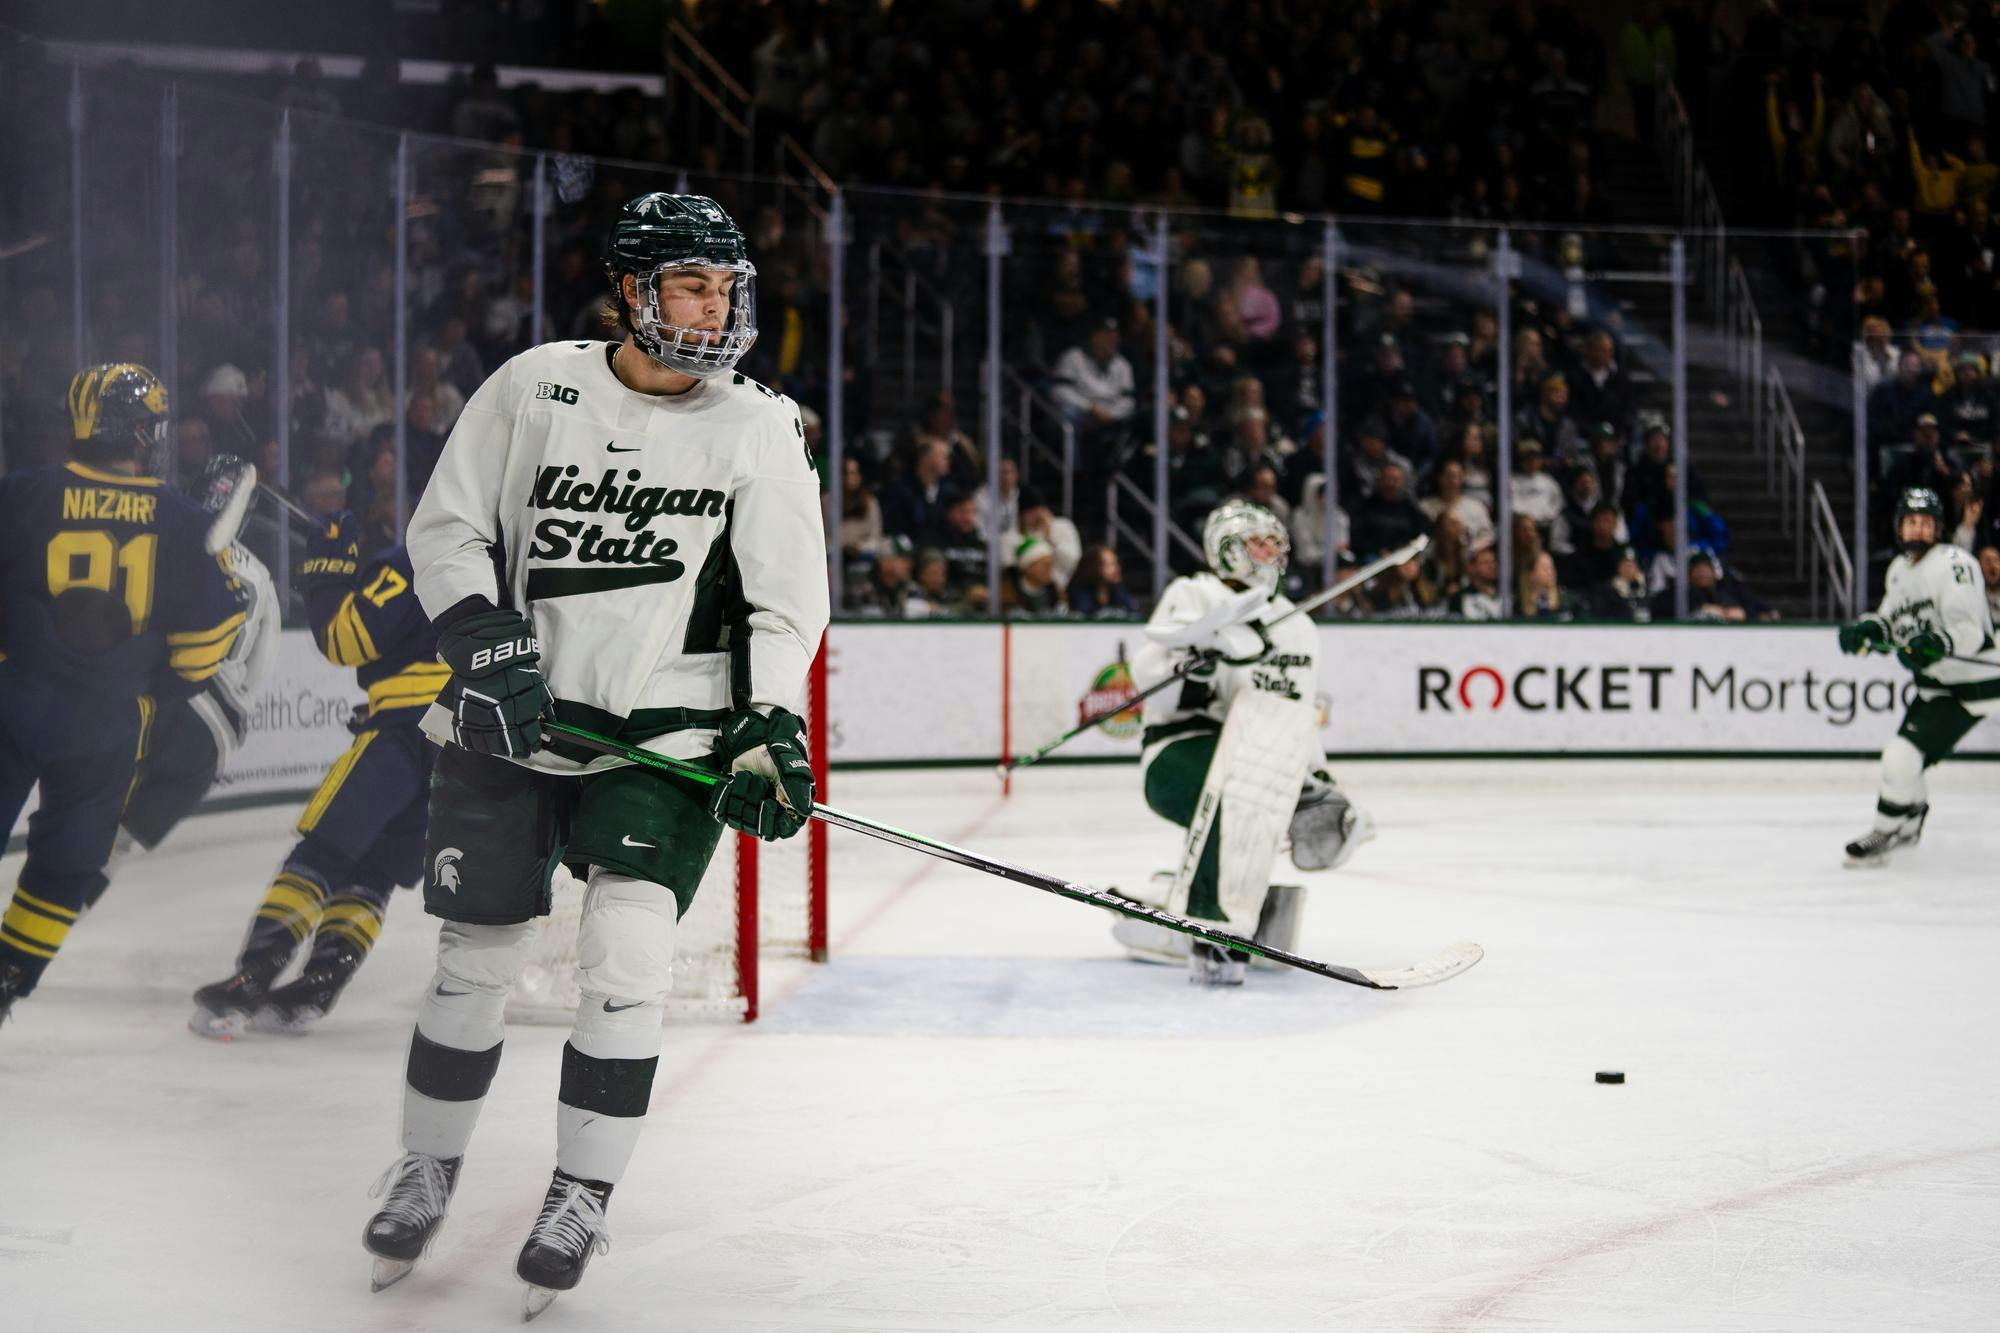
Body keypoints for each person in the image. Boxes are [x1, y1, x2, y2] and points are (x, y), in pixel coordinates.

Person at [360, 194, 828, 1316]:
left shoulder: (760, 426)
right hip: (515, 723)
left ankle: (580, 1191)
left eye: (728, 287)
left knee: (624, 959)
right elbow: (449, 525)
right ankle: (426, 1166)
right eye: (691, 285)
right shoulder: (533, 386)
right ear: (631, 290)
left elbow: (783, 603)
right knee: (472, 959)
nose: (717, 308)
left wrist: (769, 724)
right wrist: (480, 638)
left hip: (663, 737)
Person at [0, 365, 246, 1022]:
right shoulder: (182, 520)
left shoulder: (21, 494)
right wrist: (151, 689)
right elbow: (212, 635)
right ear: (142, 431)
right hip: (106, 722)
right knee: (68, 864)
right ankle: (9, 977)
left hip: (15, 696)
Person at [188, 514, 445, 1037]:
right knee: (373, 872)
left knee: (323, 852)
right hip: (464, 752)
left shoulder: (412, 559)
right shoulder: (501, 568)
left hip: (400, 734)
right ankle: (323, 981)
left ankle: (255, 972)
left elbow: (345, 640)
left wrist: (328, 574)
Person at [1109, 501, 1372, 985]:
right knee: (1241, 784)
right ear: (1226, 549)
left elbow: (1295, 711)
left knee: (1268, 785)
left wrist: (1318, 777)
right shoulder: (1194, 593)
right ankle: (1209, 924)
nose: (1273, 551)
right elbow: (1153, 679)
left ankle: (1241, 907)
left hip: (1257, 755)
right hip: (1180, 749)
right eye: (1260, 542)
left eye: (1277, 542)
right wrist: (1205, 658)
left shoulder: (1297, 625)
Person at [1836, 488, 2000, 866]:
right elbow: (1892, 622)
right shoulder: (1899, 570)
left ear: (1938, 527)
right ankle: (1909, 822)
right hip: (1938, 686)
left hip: (1971, 685)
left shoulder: (1955, 563)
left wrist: (1936, 643)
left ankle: (1887, 829)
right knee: (1908, 758)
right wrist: (1868, 630)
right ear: (1899, 526)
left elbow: (1969, 631)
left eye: (1926, 523)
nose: (1918, 530)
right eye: (1911, 522)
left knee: (1901, 756)